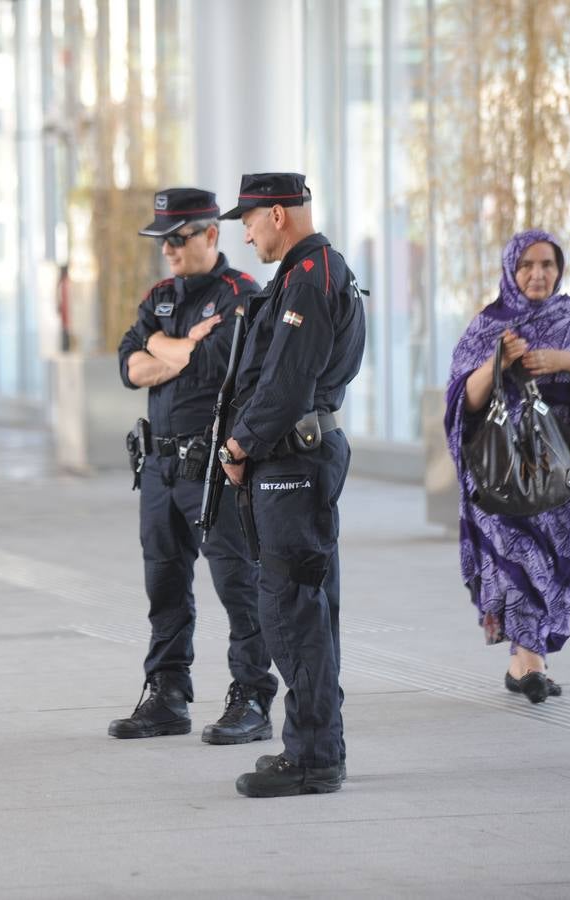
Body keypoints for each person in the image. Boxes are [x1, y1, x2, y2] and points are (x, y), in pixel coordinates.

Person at [444, 229, 570, 703]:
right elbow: (462, 400)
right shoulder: (487, 325)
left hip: (565, 464)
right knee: (514, 560)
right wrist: (495, 361)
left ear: (560, 270)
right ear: (511, 271)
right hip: (502, 464)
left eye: (548, 265)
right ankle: (529, 662)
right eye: (527, 266)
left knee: (554, 565)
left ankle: (525, 662)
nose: (538, 274)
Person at [109, 187, 278, 745]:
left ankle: (251, 696)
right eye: (162, 241)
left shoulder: (241, 296)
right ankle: (166, 694)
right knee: (164, 583)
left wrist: (164, 349)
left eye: (179, 239)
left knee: (238, 584)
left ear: (212, 234)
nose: (169, 251)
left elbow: (214, 365)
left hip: (213, 469)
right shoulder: (160, 295)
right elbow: (129, 366)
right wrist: (174, 343)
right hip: (158, 467)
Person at [216, 173, 366, 797]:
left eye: (248, 221)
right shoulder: (316, 271)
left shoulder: (310, 275)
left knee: (291, 609)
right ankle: (319, 746)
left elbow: (286, 383)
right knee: (309, 605)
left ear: (277, 213)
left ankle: (309, 758)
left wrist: (239, 443)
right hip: (302, 457)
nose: (245, 235)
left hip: (290, 464)